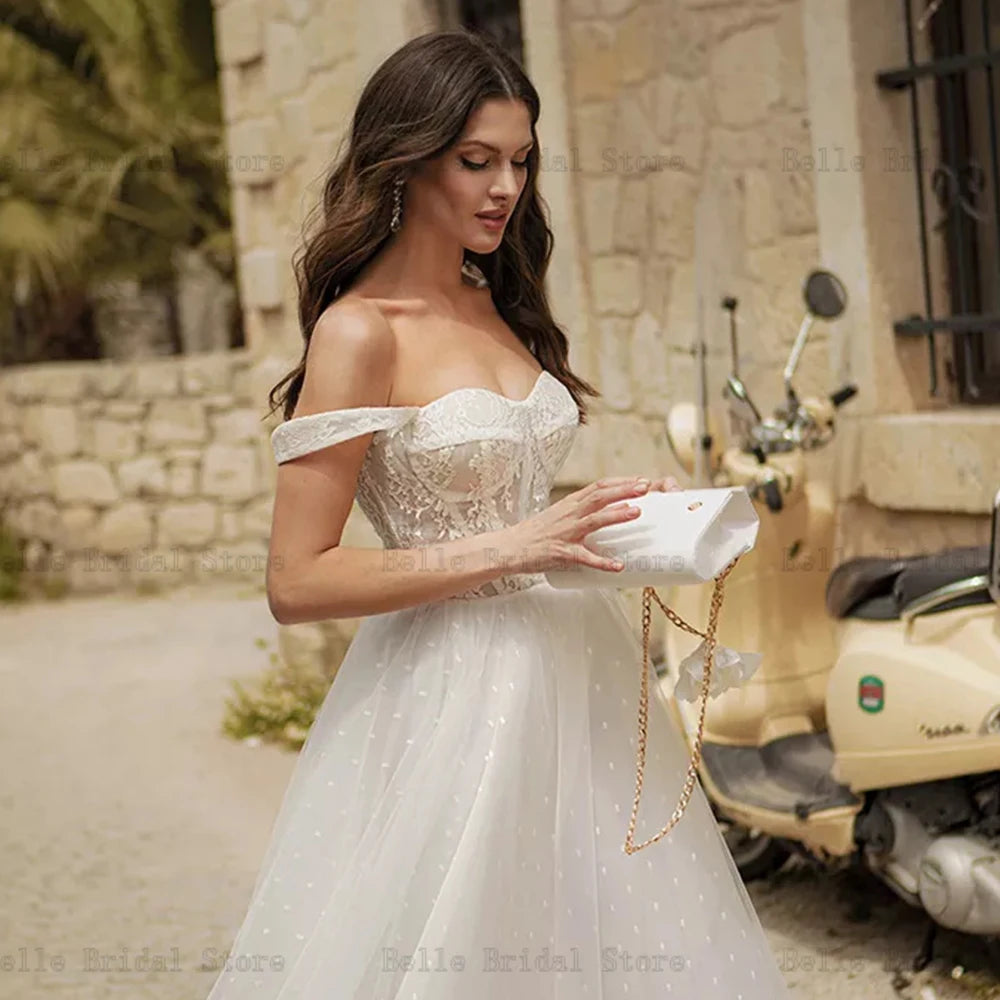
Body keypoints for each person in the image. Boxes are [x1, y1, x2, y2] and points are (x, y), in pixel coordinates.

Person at [205, 28, 793, 1000]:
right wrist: (516, 542)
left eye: (519, 161)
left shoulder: (499, 301)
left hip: (574, 668)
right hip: (447, 695)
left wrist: (604, 519)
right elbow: (297, 578)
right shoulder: (357, 332)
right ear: (404, 158)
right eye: (475, 161)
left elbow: (505, 501)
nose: (504, 188)